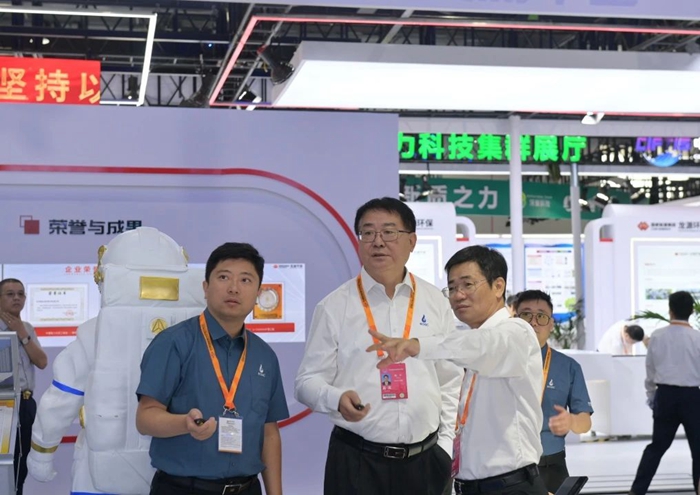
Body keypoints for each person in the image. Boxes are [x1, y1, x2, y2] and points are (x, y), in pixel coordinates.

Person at [295, 197, 462, 495]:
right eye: (368, 232)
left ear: (411, 241)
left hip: (426, 461)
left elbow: (451, 379)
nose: (378, 242)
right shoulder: (334, 306)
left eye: (389, 232)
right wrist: (336, 398)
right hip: (356, 461)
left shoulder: (436, 302)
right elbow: (306, 382)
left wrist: (445, 445)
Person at [27, 226, 205, 495]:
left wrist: (42, 453)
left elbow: (61, 401)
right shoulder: (198, 334)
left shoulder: (93, 334)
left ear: (104, 275)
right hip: (178, 474)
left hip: (99, 477)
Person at [368, 245, 548, 495]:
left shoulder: (516, 332)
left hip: (510, 487)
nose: (458, 295)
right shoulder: (476, 341)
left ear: (498, 286)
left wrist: (417, 345)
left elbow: (484, 346)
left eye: (467, 285)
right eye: (452, 288)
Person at [136, 242, 289, 495]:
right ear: (206, 287)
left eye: (245, 280)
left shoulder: (265, 356)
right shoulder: (174, 343)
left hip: (247, 488)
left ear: (258, 293)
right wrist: (184, 424)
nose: (234, 288)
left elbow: (269, 432)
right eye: (224, 277)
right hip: (184, 489)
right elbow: (145, 418)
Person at [514, 290, 593, 493]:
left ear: (551, 324)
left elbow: (585, 422)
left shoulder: (567, 367)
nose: (533, 322)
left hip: (551, 466)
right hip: (508, 468)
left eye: (541, 316)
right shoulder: (496, 363)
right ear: (514, 320)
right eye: (526, 315)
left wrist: (571, 421)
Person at [629, 290, 700, 495]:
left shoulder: (658, 336)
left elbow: (650, 369)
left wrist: (652, 396)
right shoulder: (697, 338)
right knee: (698, 450)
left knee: (657, 447)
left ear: (670, 310)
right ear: (691, 311)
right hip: (692, 397)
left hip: (666, 396)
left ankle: (637, 491)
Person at [0, 278, 48, 495]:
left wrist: (21, 333)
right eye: (10, 294)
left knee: (21, 463)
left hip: (26, 403)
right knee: (4, 466)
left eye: (20, 294)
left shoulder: (26, 328)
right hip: (3, 405)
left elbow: (42, 362)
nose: (16, 298)